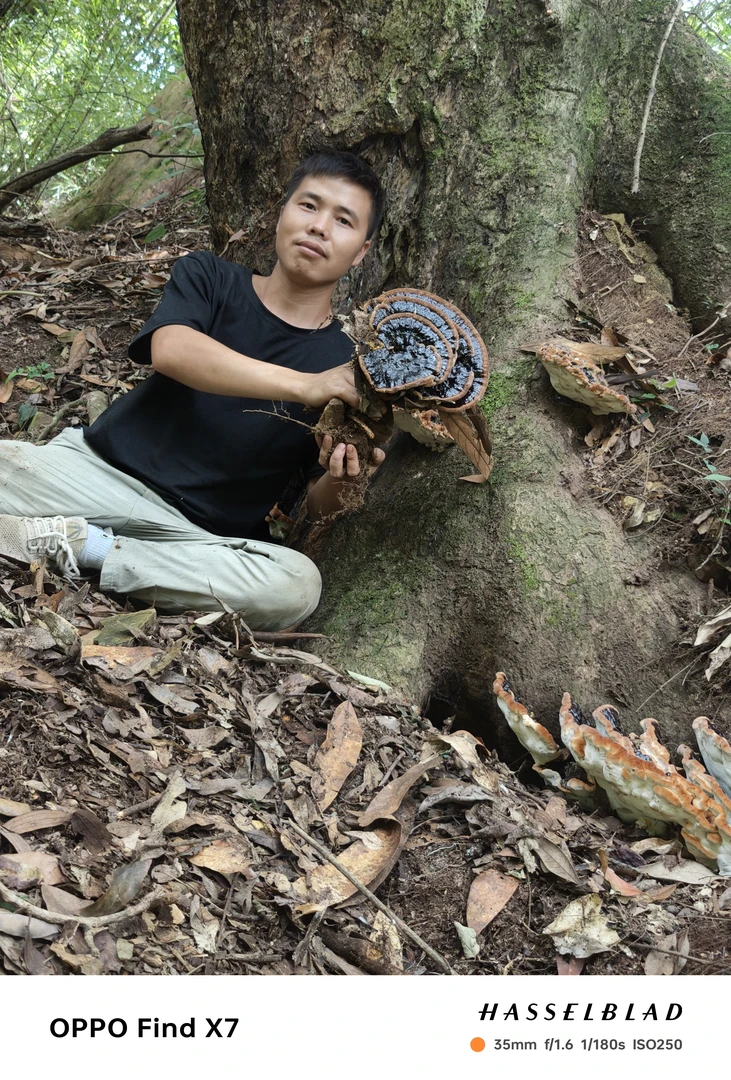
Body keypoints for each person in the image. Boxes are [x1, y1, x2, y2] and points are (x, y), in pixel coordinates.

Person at [0, 151, 386, 629]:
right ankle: (91, 547)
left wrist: (344, 479)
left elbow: (315, 499)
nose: (320, 226)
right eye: (309, 206)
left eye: (343, 220)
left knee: (296, 585)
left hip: (193, 537)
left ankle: (87, 548)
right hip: (94, 473)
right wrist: (307, 387)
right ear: (283, 212)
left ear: (362, 250)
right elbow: (172, 350)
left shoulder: (351, 367)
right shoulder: (211, 277)